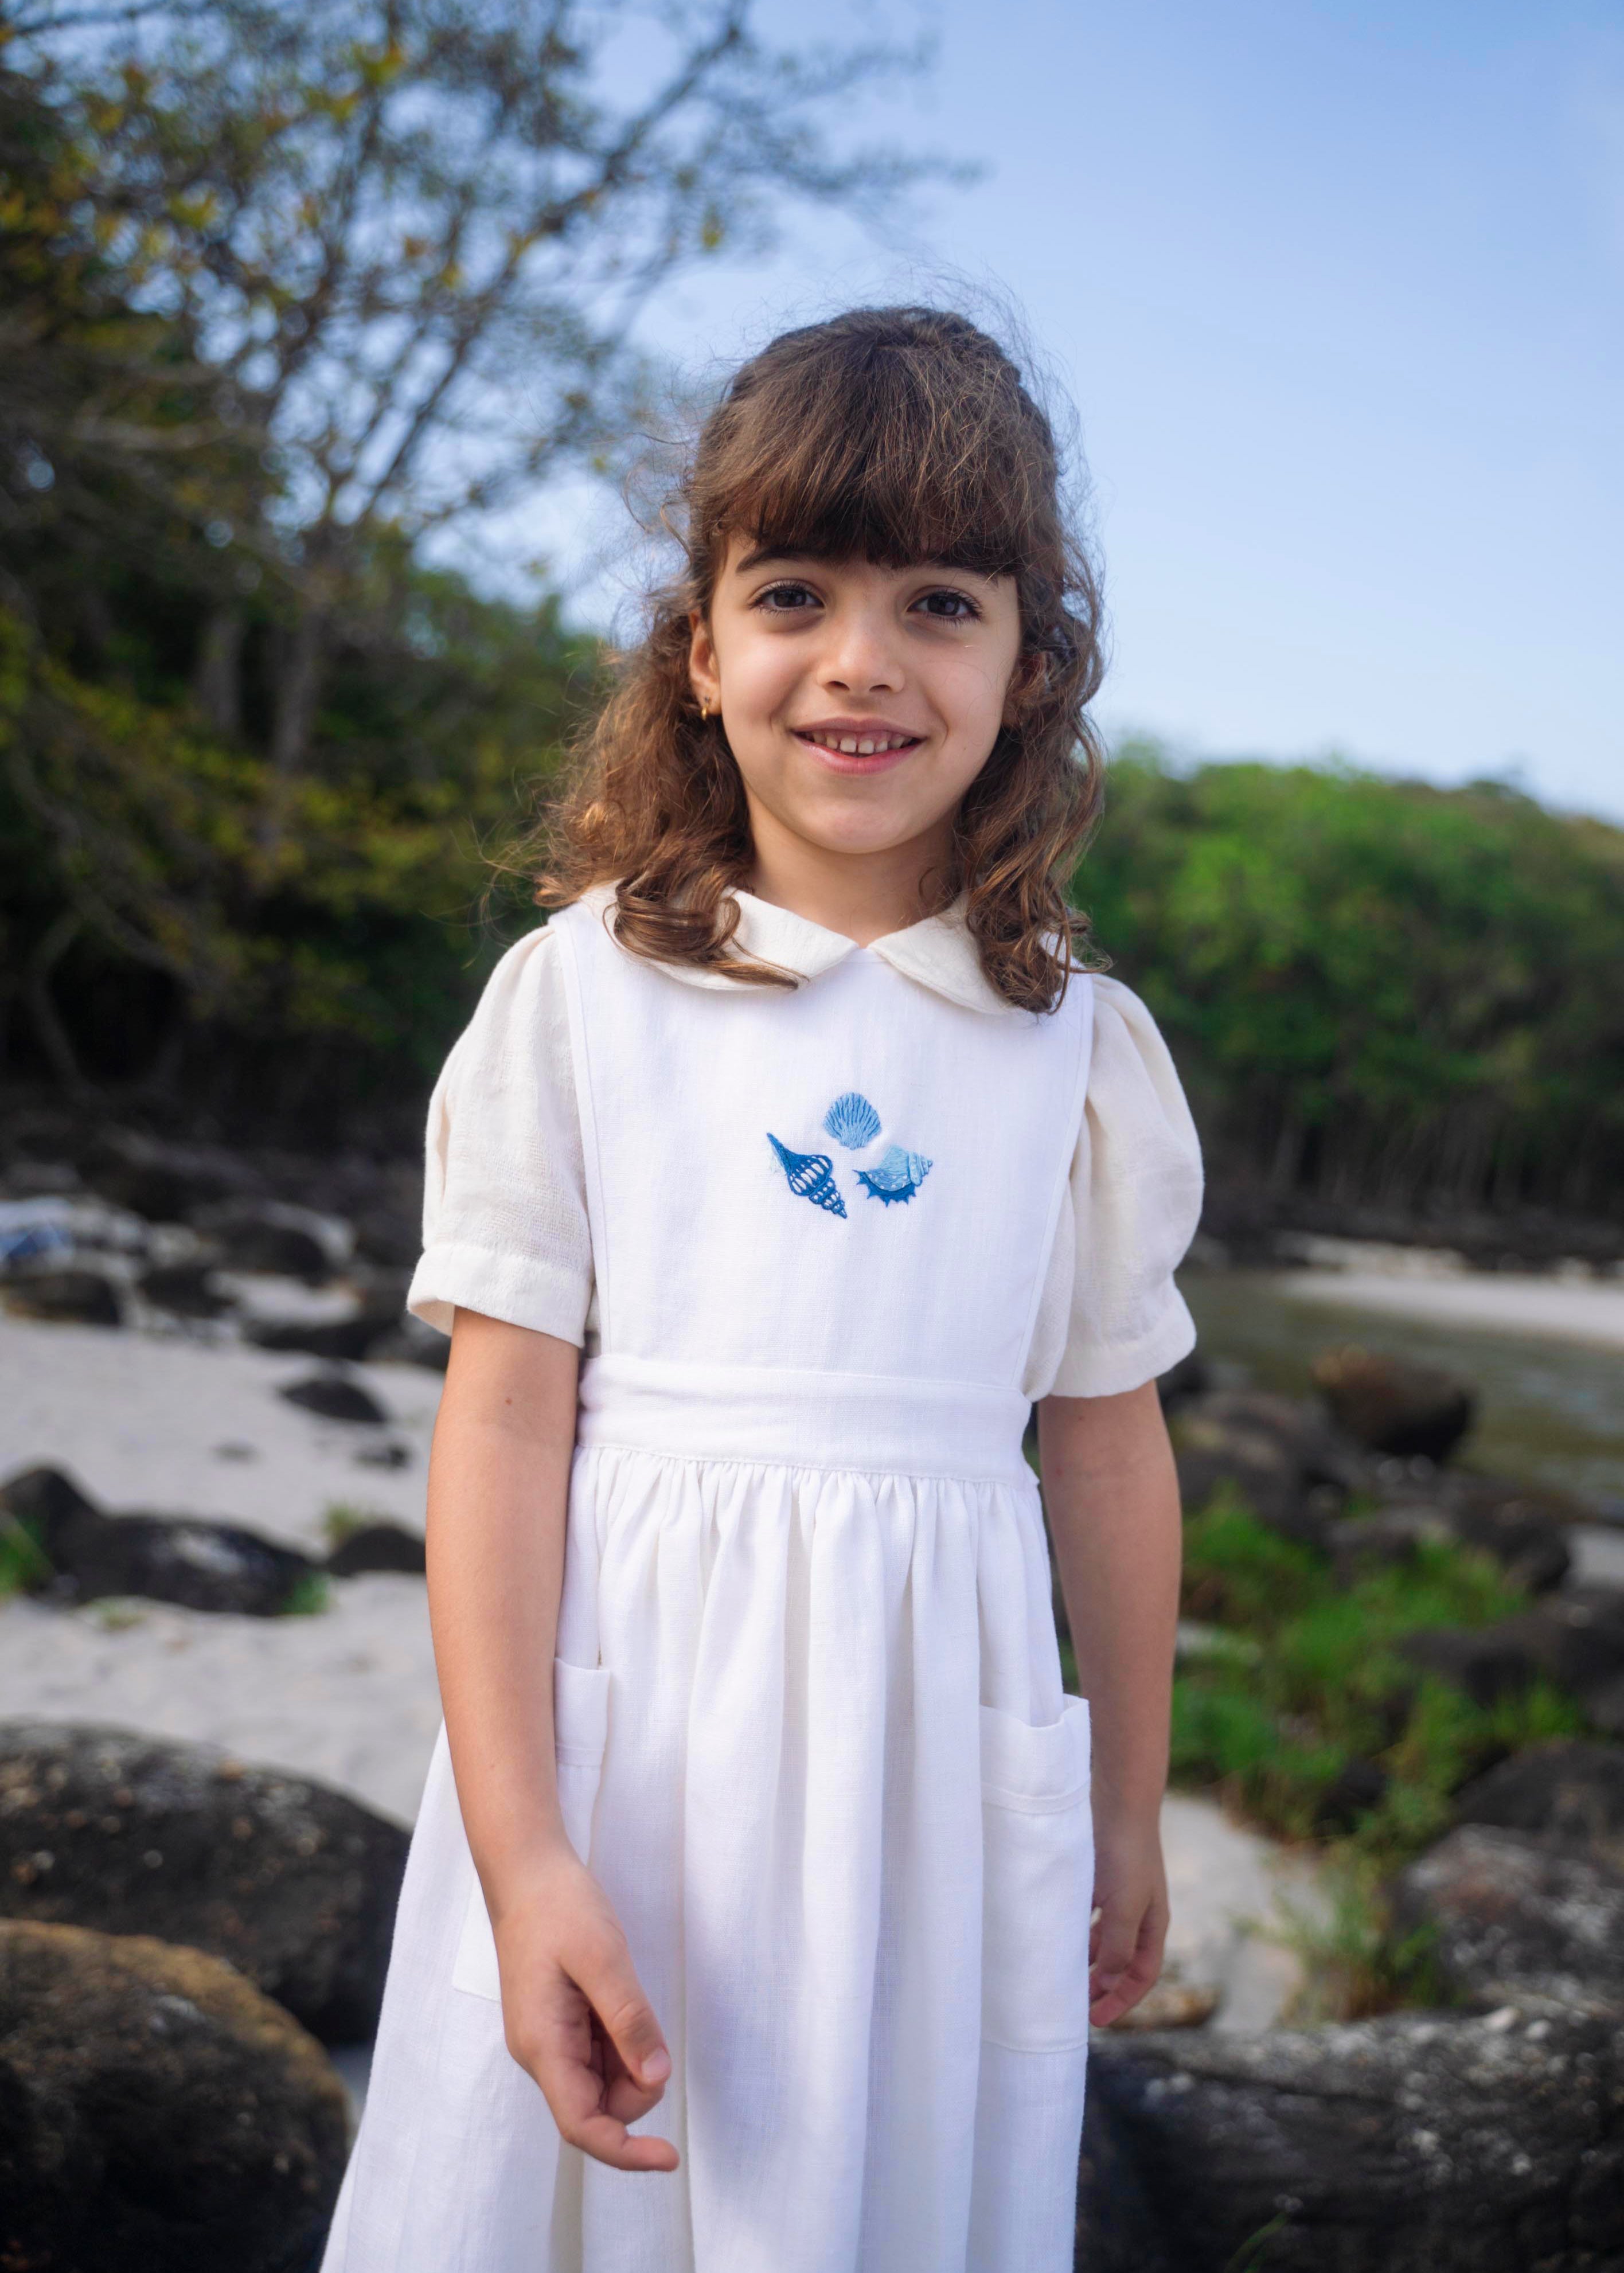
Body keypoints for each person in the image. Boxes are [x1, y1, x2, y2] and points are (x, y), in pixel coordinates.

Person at [322, 305, 1201, 2273]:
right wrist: (523, 1847)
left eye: (941, 602)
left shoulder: (1077, 1052)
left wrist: (1128, 1805)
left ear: (1030, 668)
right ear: (702, 654)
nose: (862, 659)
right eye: (795, 591)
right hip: (624, 1757)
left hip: (934, 1770)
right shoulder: (581, 996)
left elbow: (1107, 1445)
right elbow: (503, 1427)